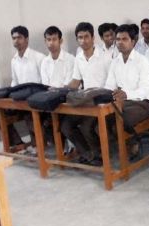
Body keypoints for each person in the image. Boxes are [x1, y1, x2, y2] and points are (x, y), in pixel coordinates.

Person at [62, 22, 111, 165]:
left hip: (102, 101)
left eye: (86, 37)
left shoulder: (106, 57)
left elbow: (112, 83)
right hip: (85, 100)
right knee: (66, 126)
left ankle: (99, 154)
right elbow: (76, 82)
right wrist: (61, 89)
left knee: (86, 126)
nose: (83, 40)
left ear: (93, 38)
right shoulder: (79, 58)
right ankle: (89, 154)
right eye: (80, 38)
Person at [105, 24, 149, 157]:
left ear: (133, 41)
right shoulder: (115, 62)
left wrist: (126, 94)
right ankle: (119, 146)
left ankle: (133, 141)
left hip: (142, 103)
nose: (120, 42)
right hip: (121, 102)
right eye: (118, 39)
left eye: (124, 39)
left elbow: (145, 89)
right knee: (103, 119)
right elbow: (109, 86)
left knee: (119, 121)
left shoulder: (142, 61)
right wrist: (108, 94)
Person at [5, 26, 45, 153]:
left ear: (26, 39)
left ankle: (37, 146)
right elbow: (14, 82)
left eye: (19, 37)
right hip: (20, 99)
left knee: (29, 115)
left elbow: (43, 82)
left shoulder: (39, 57)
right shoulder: (14, 60)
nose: (16, 41)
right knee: (0, 114)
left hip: (35, 99)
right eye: (14, 38)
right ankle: (18, 144)